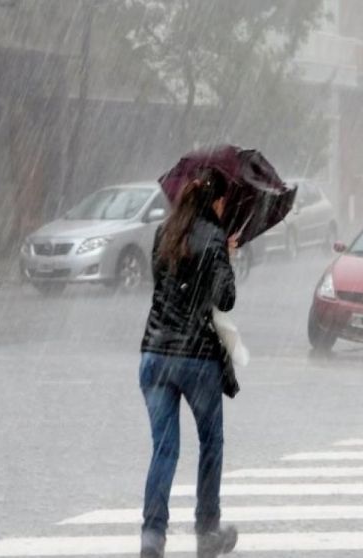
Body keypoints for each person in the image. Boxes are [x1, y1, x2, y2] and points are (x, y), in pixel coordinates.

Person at [139, 168, 238, 558]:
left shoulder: (164, 234)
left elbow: (162, 287)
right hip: (196, 359)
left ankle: (152, 536)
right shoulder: (213, 239)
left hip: (154, 356)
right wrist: (226, 258)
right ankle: (207, 531)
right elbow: (225, 298)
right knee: (210, 444)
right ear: (216, 201)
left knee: (164, 451)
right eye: (224, 201)